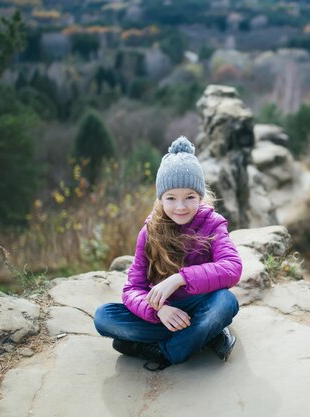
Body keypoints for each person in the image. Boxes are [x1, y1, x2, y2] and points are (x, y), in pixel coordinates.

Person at [94, 136, 242, 371]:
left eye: (189, 197)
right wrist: (158, 310)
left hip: (201, 305)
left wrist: (180, 278)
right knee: (104, 316)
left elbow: (232, 268)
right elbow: (133, 288)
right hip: (165, 314)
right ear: (161, 198)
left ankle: (167, 350)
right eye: (171, 198)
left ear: (200, 196)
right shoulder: (149, 232)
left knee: (225, 302)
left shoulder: (213, 224)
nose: (180, 207)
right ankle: (203, 335)